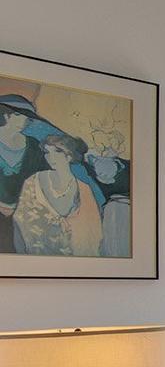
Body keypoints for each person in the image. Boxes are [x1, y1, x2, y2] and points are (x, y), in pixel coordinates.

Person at [13, 133, 103, 256]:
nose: (50, 158)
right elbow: (20, 220)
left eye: (57, 152)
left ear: (69, 156)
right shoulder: (33, 181)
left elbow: (93, 231)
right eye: (47, 153)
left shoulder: (84, 189)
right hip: (37, 255)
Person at [0, 95, 51, 254]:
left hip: (26, 216)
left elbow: (44, 179)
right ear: (8, 115)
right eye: (25, 116)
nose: (29, 121)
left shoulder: (34, 146)